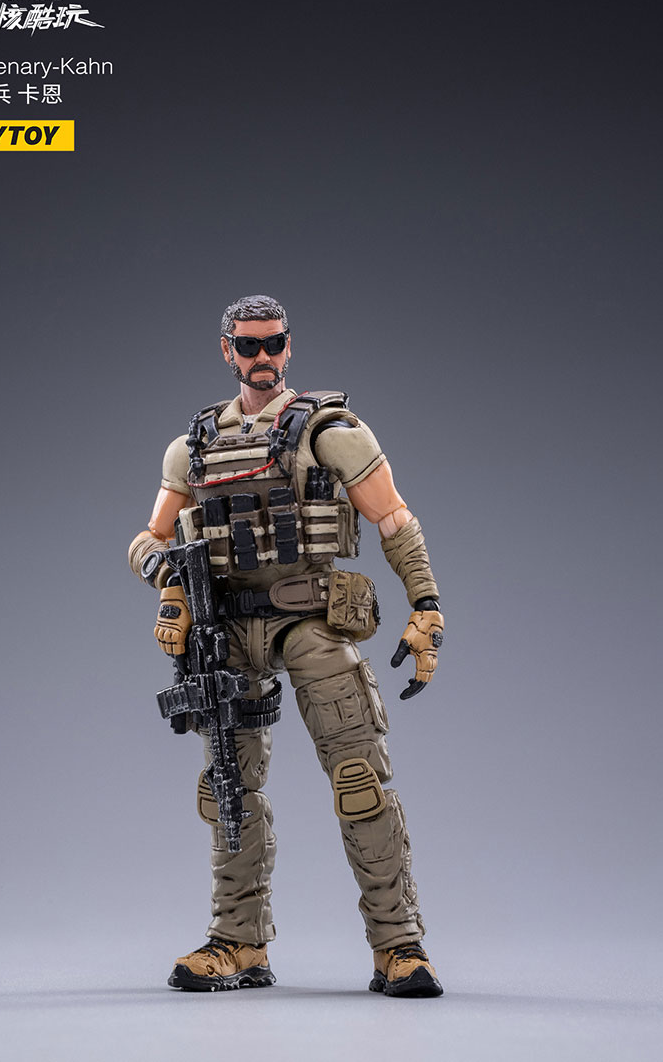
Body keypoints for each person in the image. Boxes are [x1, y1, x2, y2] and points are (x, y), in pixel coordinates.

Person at [128, 295, 445, 997]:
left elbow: (393, 517)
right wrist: (171, 586)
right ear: (227, 351)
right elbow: (149, 537)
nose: (263, 357)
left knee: (359, 778)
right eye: (248, 346)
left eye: (273, 343)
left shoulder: (328, 431)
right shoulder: (193, 447)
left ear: (289, 345)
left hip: (310, 619)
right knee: (227, 786)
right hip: (227, 631)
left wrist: (425, 605)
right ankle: (238, 942)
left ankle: (399, 946)